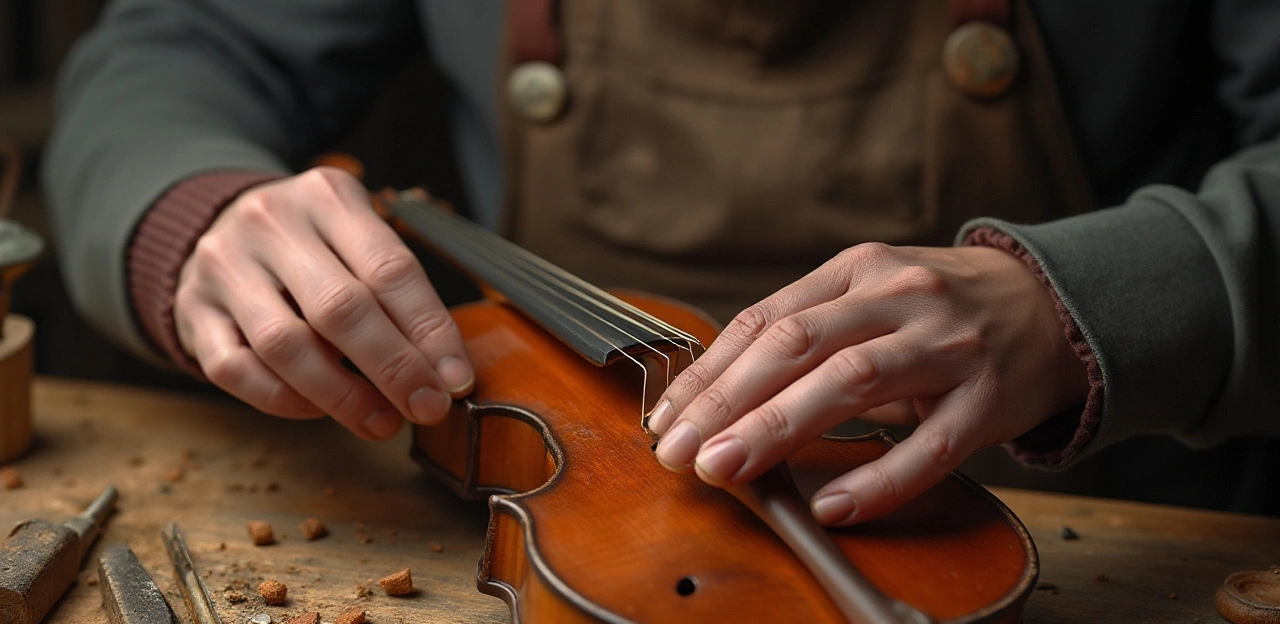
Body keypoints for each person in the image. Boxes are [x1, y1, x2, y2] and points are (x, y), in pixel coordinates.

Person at [44, 0, 1280, 523]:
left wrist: (1088, 307)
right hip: (548, 496)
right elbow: (181, 42)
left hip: (1100, 506)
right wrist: (188, 213)